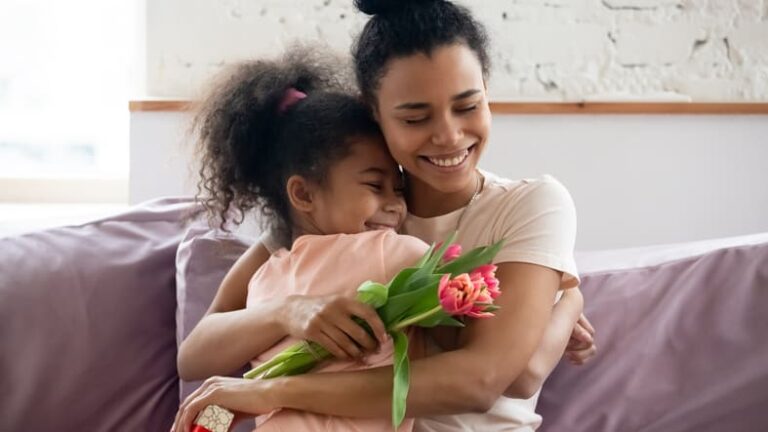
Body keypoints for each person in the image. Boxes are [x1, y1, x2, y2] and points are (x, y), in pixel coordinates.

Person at [174, 1, 596, 431]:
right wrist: (289, 311)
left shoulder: (532, 204)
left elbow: (493, 376)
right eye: (415, 116)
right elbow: (196, 354)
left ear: (486, 90)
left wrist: (568, 296)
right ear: (373, 113)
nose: (449, 135)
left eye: (467, 106)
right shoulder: (347, 211)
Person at [176, 48, 435, 431]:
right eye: (374, 185)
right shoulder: (269, 265)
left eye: (398, 188)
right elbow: (194, 359)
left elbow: (475, 308)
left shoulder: (388, 250)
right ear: (303, 195)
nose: (396, 205)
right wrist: (287, 312)